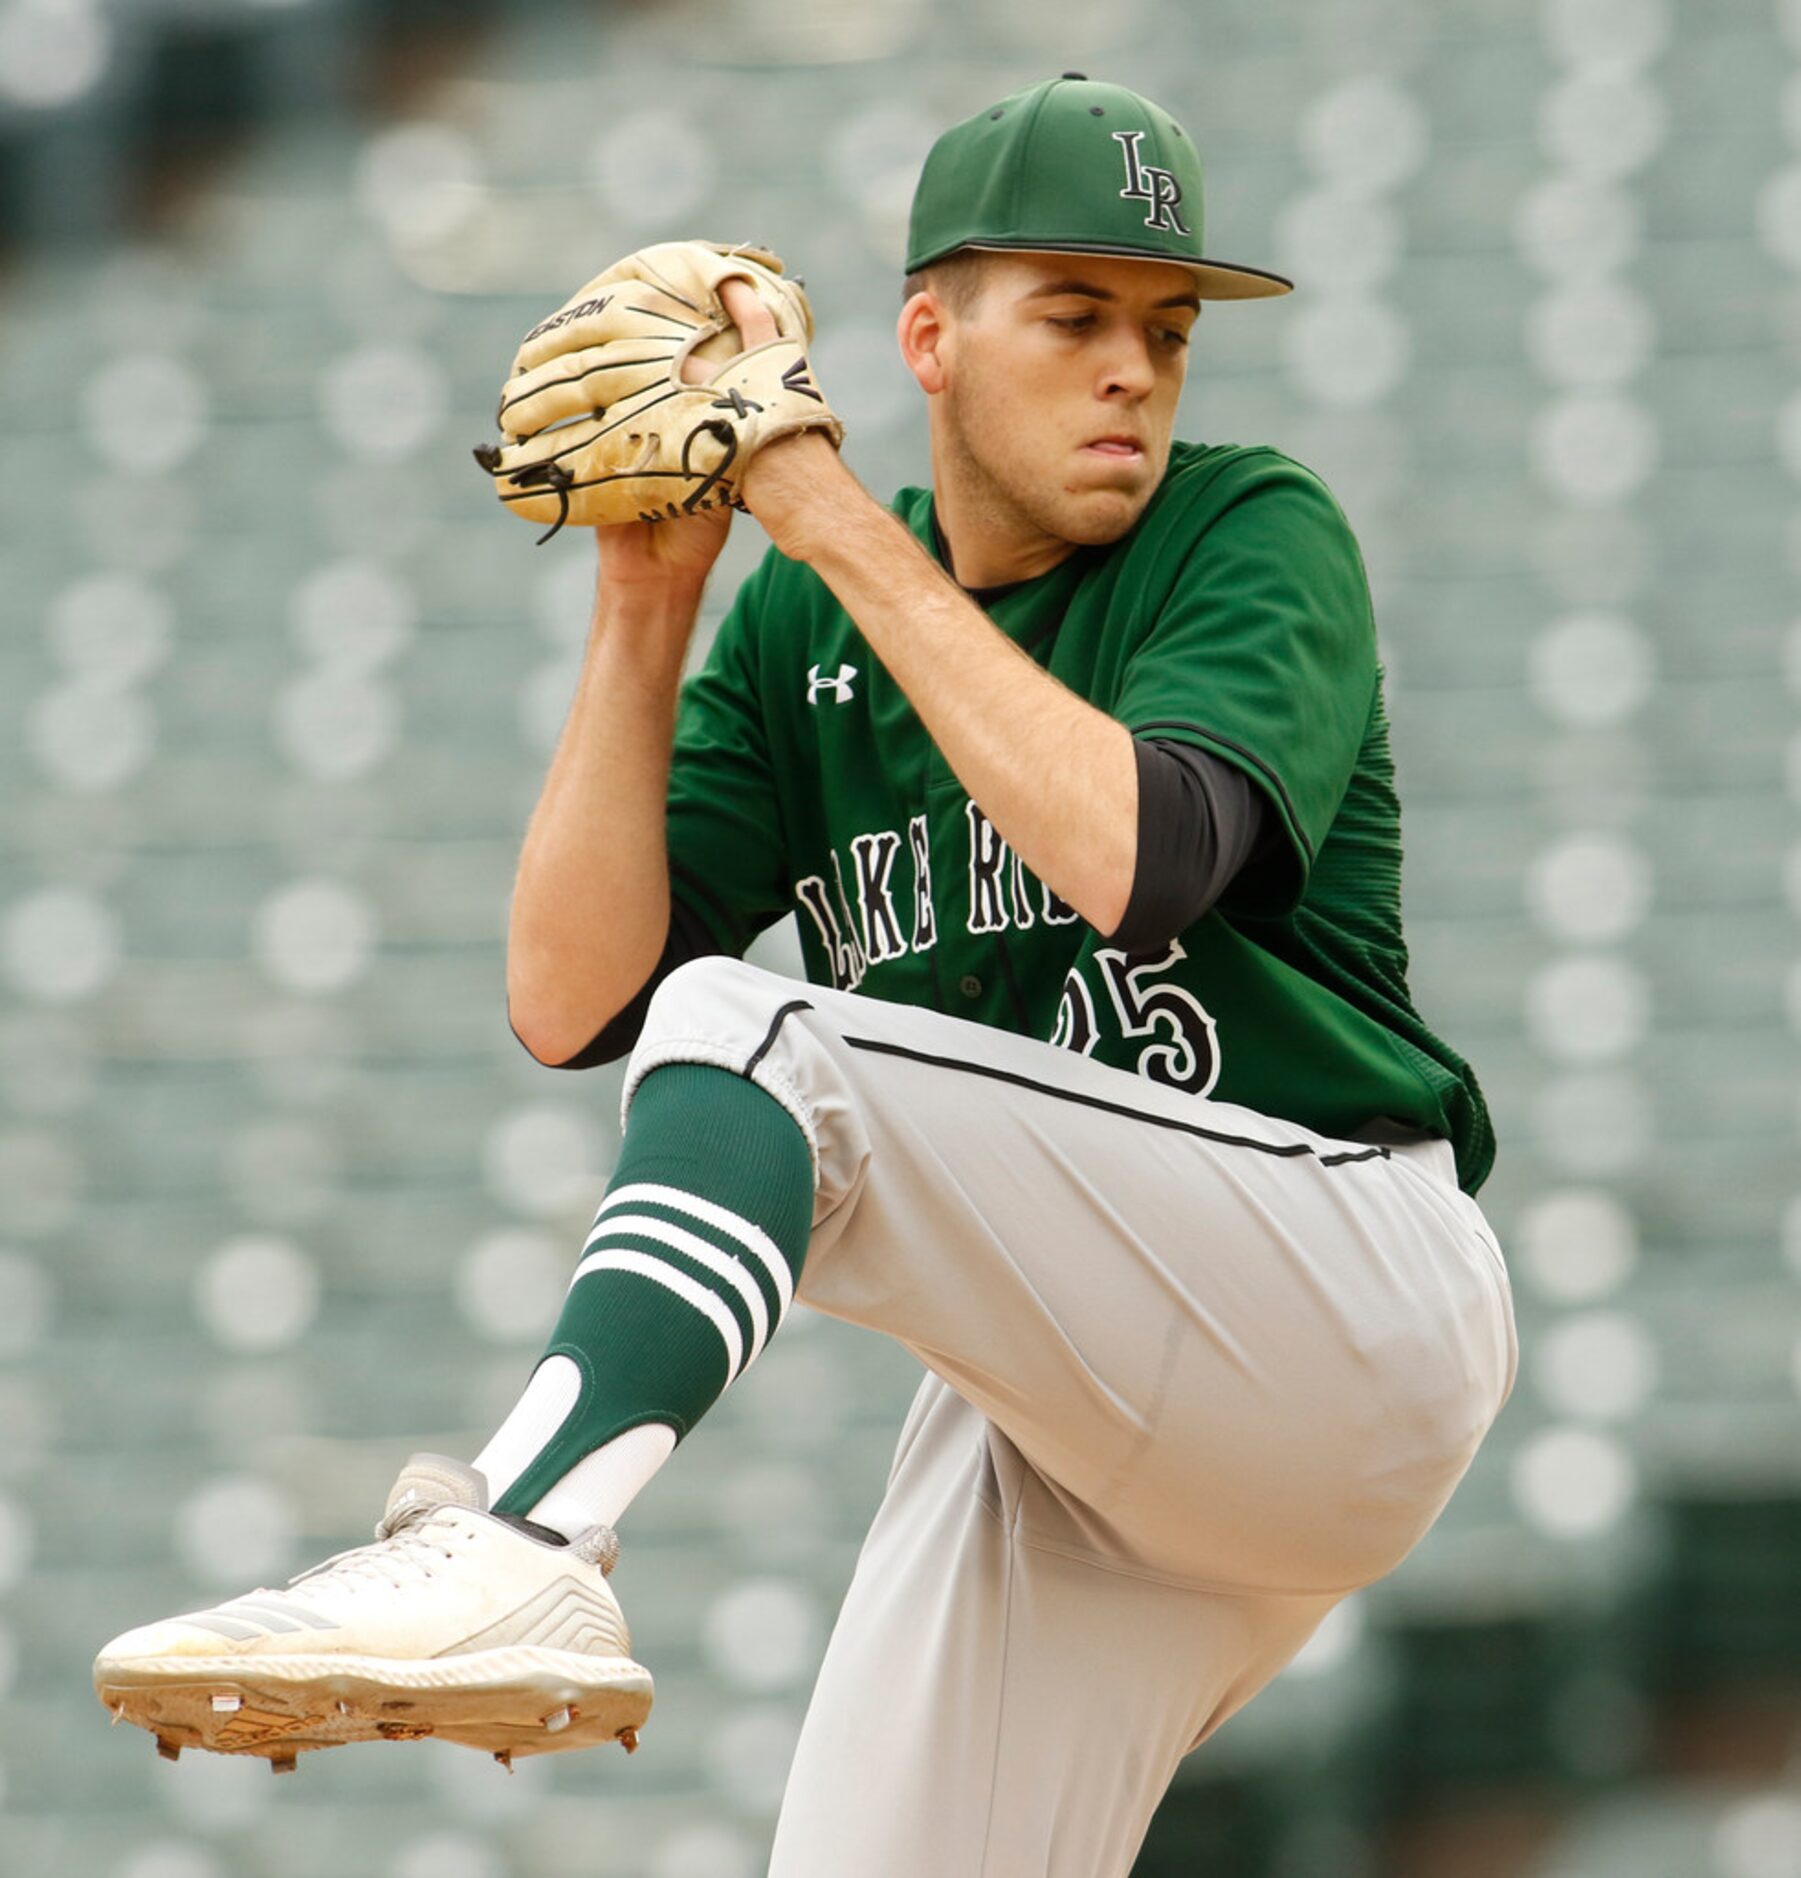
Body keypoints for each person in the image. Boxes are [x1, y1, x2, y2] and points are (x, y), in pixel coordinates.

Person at [95, 74, 1518, 1876]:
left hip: (1341, 1302)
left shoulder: (1244, 528)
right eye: (1072, 314)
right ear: (928, 336)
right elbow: (571, 1000)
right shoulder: (797, 626)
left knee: (761, 1033)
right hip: (1094, 1435)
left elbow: (1138, 859)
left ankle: (523, 1542)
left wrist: (815, 499)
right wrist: (648, 600)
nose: (1133, 370)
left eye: (1164, 327)